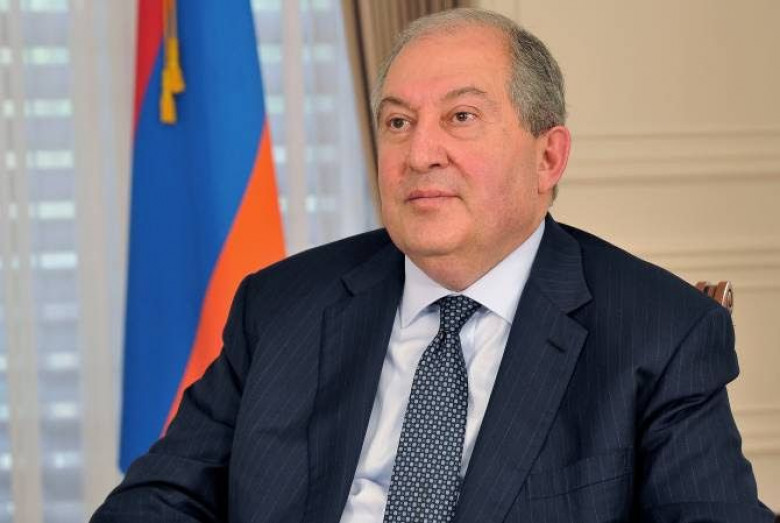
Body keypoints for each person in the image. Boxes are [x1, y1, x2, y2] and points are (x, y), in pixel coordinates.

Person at [93, 8, 774, 523]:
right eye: (398, 122)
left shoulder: (659, 333)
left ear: (548, 158)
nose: (419, 154)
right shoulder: (280, 306)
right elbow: (158, 499)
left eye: (461, 117)